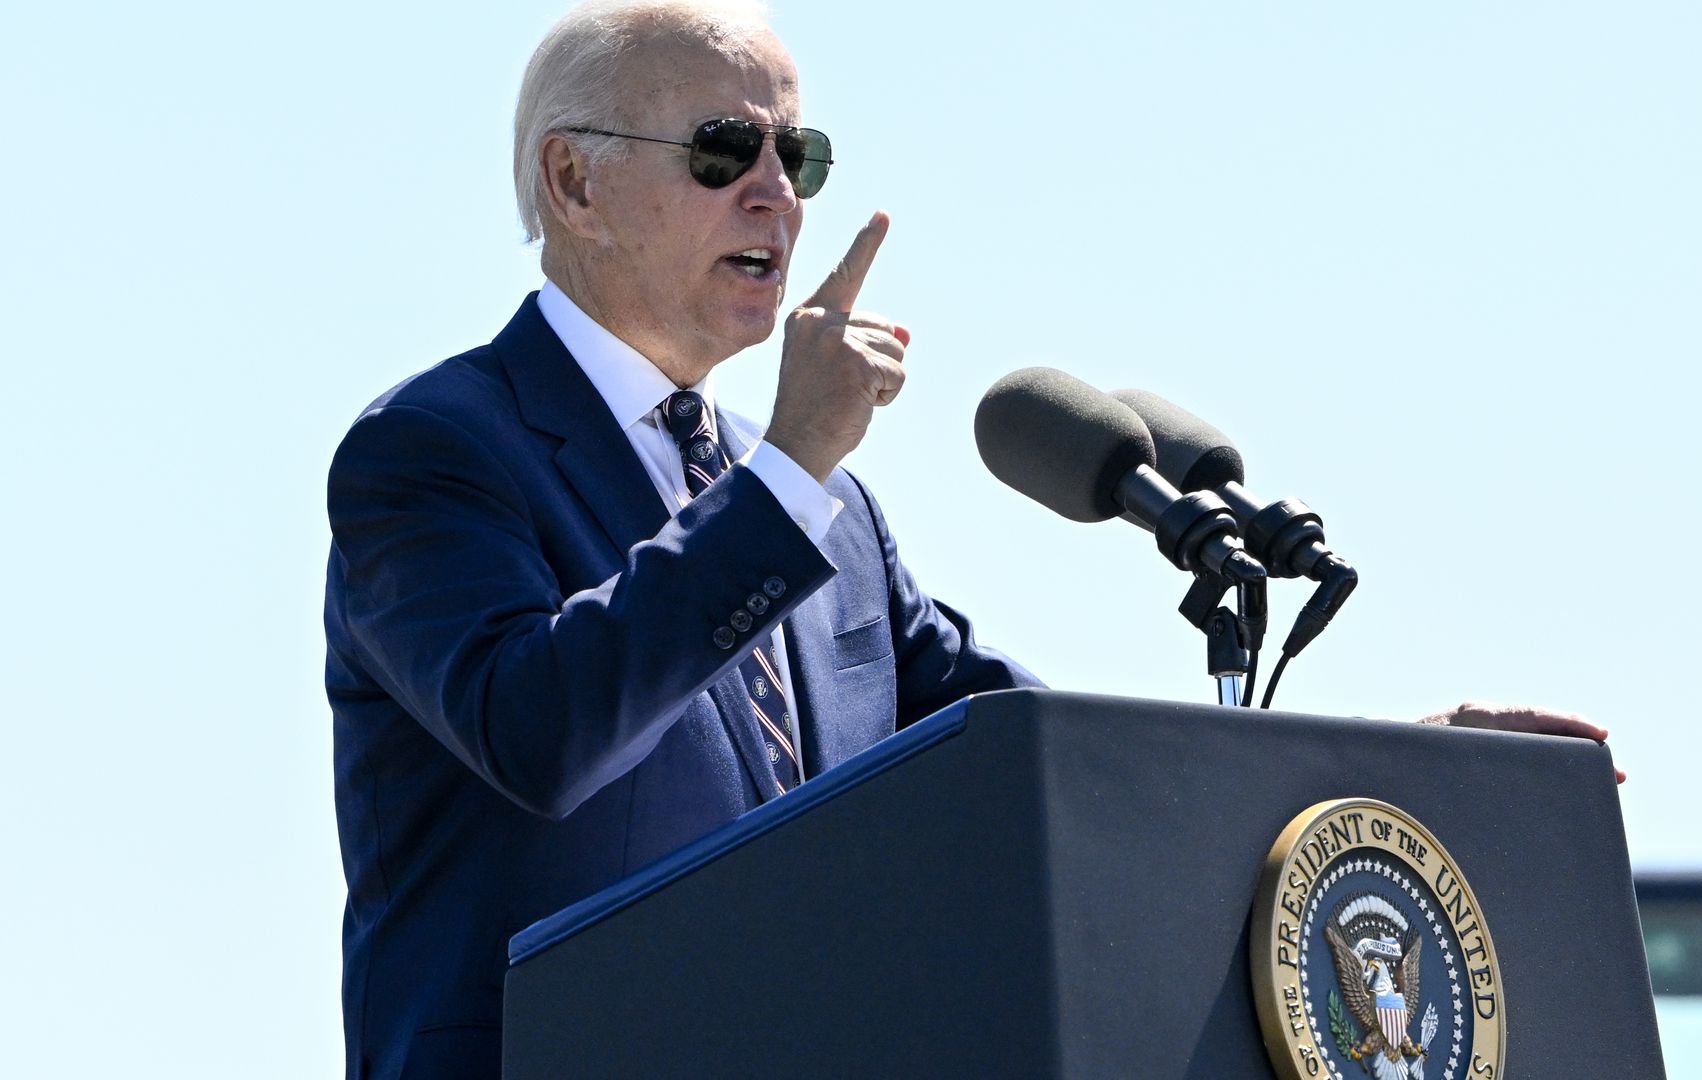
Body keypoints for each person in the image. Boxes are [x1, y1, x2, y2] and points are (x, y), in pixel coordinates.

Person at [322, 2, 1616, 1076]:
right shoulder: (435, 452)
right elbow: (538, 731)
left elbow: (1070, 781)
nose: (776, 194)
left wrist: (1404, 774)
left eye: (798, 155)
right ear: (575, 182)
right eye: (723, 150)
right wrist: (790, 470)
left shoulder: (829, 523)